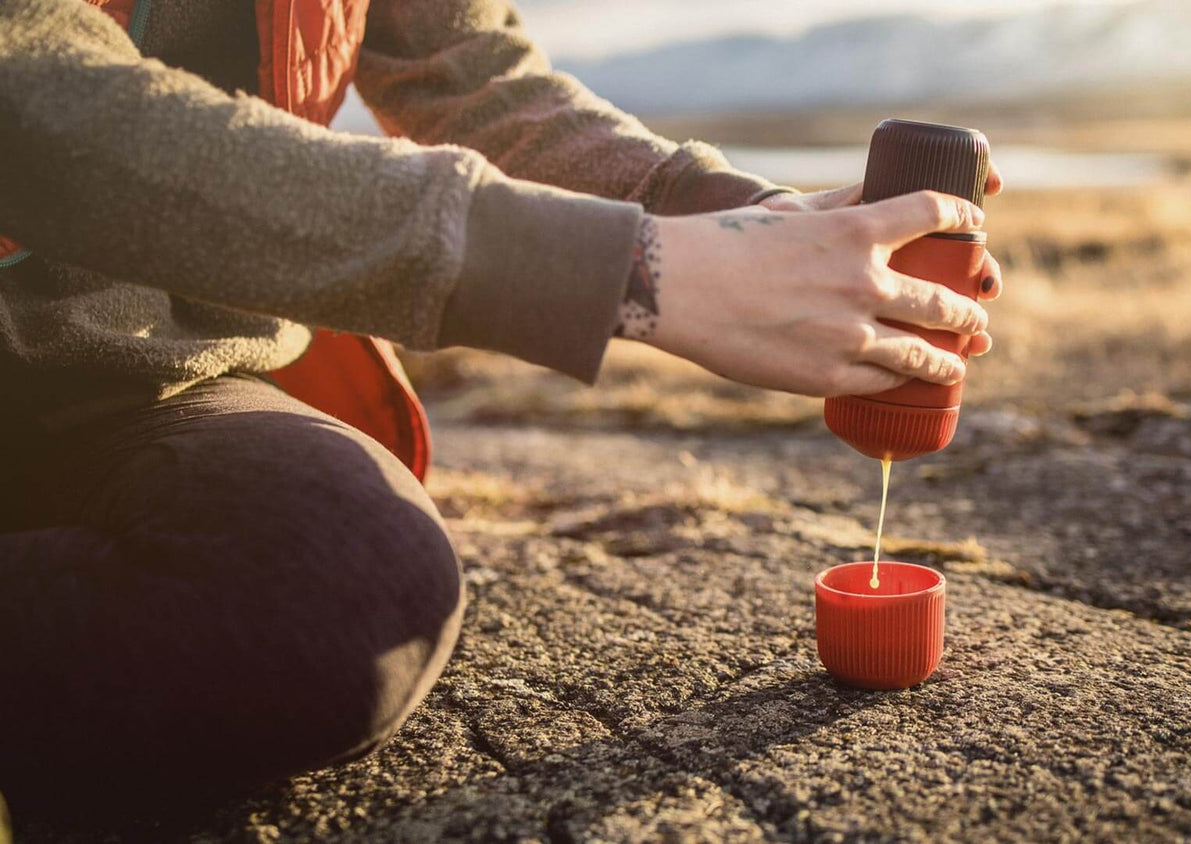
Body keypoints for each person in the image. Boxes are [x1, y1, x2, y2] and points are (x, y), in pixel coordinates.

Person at [0, 0, 1003, 814]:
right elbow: (28, 92)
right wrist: (635, 274)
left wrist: (739, 219)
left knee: (343, 590)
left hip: (140, 374)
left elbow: (471, 72)